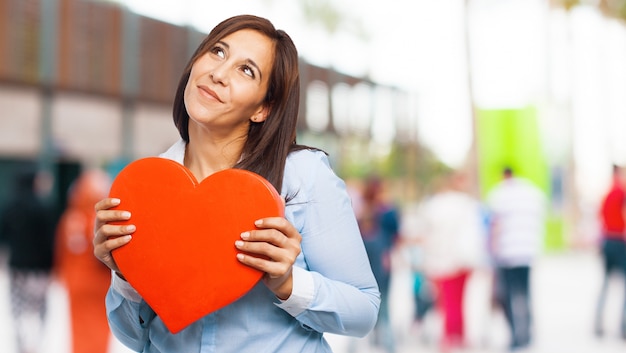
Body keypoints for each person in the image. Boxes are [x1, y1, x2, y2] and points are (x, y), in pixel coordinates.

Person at [93, 14, 380, 353]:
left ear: (263, 108)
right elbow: (135, 338)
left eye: (247, 70)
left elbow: (364, 311)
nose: (218, 73)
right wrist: (126, 274)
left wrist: (288, 283)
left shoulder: (302, 176)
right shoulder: (149, 189)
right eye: (217, 52)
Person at [404, 171, 487, 351]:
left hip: (443, 261)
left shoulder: (434, 206)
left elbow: (423, 233)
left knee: (447, 302)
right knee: (460, 301)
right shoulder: (468, 204)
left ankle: (449, 337)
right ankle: (459, 335)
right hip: (465, 260)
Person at [486, 167, 547, 351]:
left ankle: (514, 336)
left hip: (507, 253)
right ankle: (527, 333)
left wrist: (492, 250)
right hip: (527, 251)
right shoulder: (532, 192)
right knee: (525, 293)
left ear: (504, 176)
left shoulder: (499, 194)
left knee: (509, 295)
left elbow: (495, 224)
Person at [55, 169, 113, 353]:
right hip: (98, 283)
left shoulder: (69, 218)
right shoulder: (100, 219)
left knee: (77, 327)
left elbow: (60, 250)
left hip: (74, 281)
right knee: (99, 327)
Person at [0, 167, 57, 353]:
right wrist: (53, 267)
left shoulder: (11, 206)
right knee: (39, 309)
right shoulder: (43, 207)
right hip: (39, 270)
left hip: (16, 268)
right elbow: (50, 241)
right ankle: (35, 344)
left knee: (18, 308)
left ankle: (21, 344)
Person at [355, 175, 400, 353]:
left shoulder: (360, 211)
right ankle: (388, 344)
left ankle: (374, 340)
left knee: (368, 302)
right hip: (381, 262)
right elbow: (396, 236)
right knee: (384, 305)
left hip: (366, 263)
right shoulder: (387, 212)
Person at [593, 164, 626, 339]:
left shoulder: (605, 194)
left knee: (605, 284)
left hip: (607, 240)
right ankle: (624, 326)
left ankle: (598, 324)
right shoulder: (622, 192)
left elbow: (599, 220)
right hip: (620, 240)